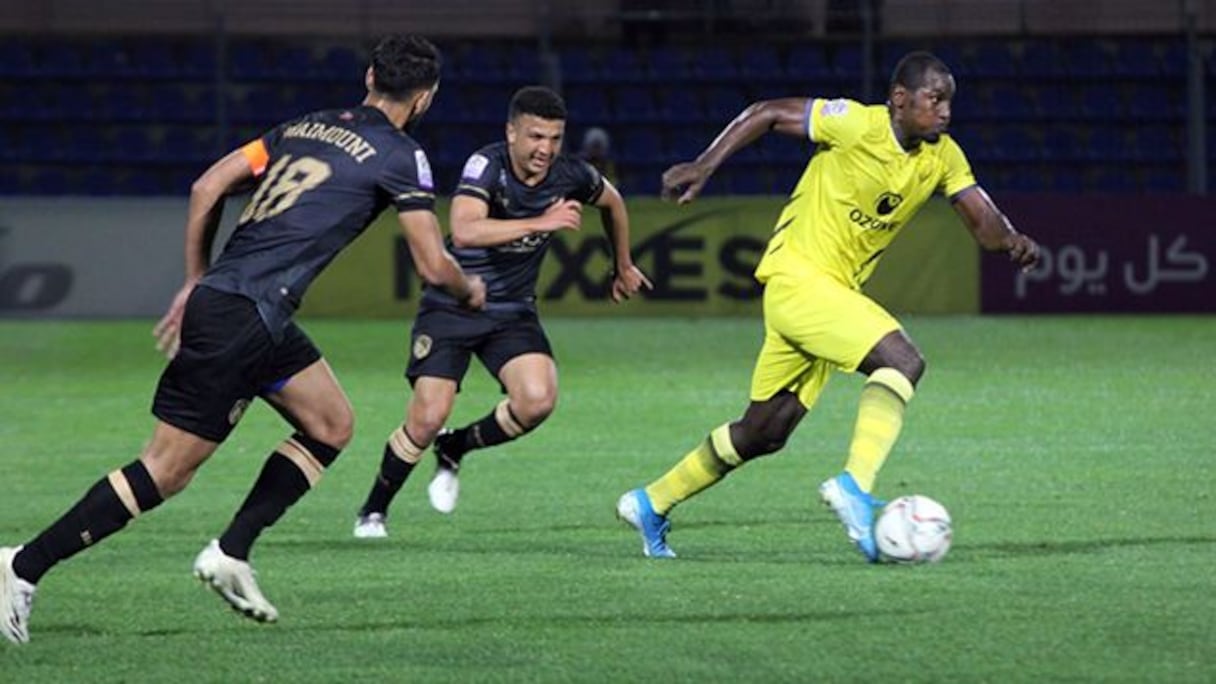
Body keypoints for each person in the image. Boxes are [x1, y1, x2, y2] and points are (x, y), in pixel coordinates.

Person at [0, 34, 485, 644]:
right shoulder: (400, 154)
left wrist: (195, 281)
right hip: (244, 318)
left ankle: (232, 552)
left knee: (331, 422)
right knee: (165, 471)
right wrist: (469, 290)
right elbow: (432, 264)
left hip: (250, 310)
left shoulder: (302, 127)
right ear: (425, 98)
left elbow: (207, 186)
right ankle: (20, 566)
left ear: (368, 77)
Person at [616, 51, 1040, 561]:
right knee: (903, 360)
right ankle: (855, 487)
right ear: (900, 100)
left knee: (764, 431)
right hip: (799, 280)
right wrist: (705, 165)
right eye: (935, 99)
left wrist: (1011, 239)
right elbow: (768, 112)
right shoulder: (855, 124)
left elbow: (980, 217)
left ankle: (651, 501)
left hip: (827, 295)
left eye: (950, 100)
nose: (946, 110)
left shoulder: (943, 156)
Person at [352, 85, 652, 537]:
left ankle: (455, 447)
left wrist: (622, 263)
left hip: (512, 310)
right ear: (511, 132)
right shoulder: (486, 164)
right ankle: (374, 509)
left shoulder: (571, 174)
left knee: (537, 401)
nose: (545, 149)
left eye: (554, 138)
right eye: (535, 137)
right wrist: (541, 222)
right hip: (452, 303)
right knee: (428, 415)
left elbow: (612, 201)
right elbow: (465, 230)